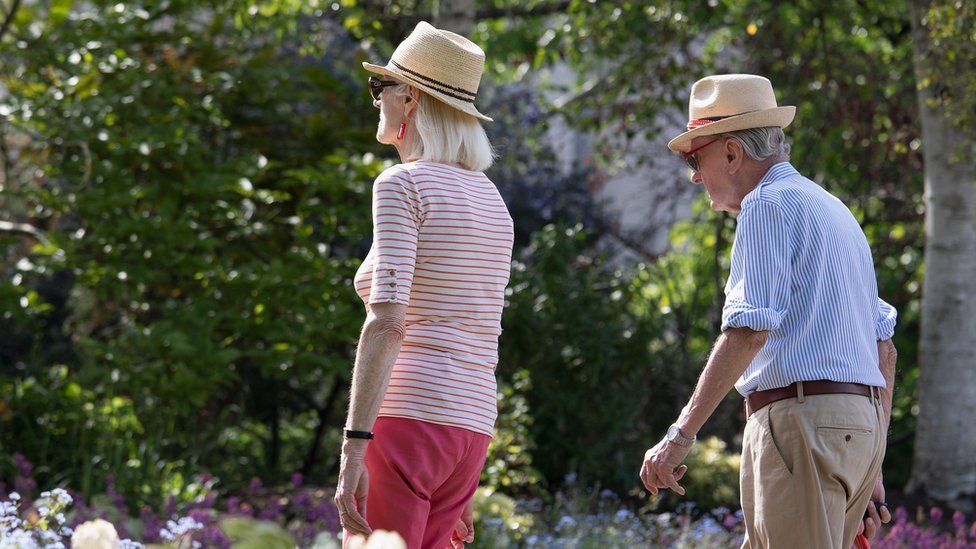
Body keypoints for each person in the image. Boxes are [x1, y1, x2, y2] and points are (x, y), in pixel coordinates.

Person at [639, 74, 899, 549]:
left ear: (733, 153)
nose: (694, 174)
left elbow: (748, 332)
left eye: (697, 157)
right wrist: (874, 458)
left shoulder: (767, 204)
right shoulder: (834, 210)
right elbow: (885, 348)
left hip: (801, 425)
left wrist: (680, 436)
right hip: (858, 427)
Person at [334, 21, 514, 549]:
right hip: (470, 426)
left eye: (379, 88)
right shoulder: (493, 203)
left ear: (409, 99)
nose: (375, 102)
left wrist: (353, 448)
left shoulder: (402, 184)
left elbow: (387, 320)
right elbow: (484, 329)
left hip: (406, 419)